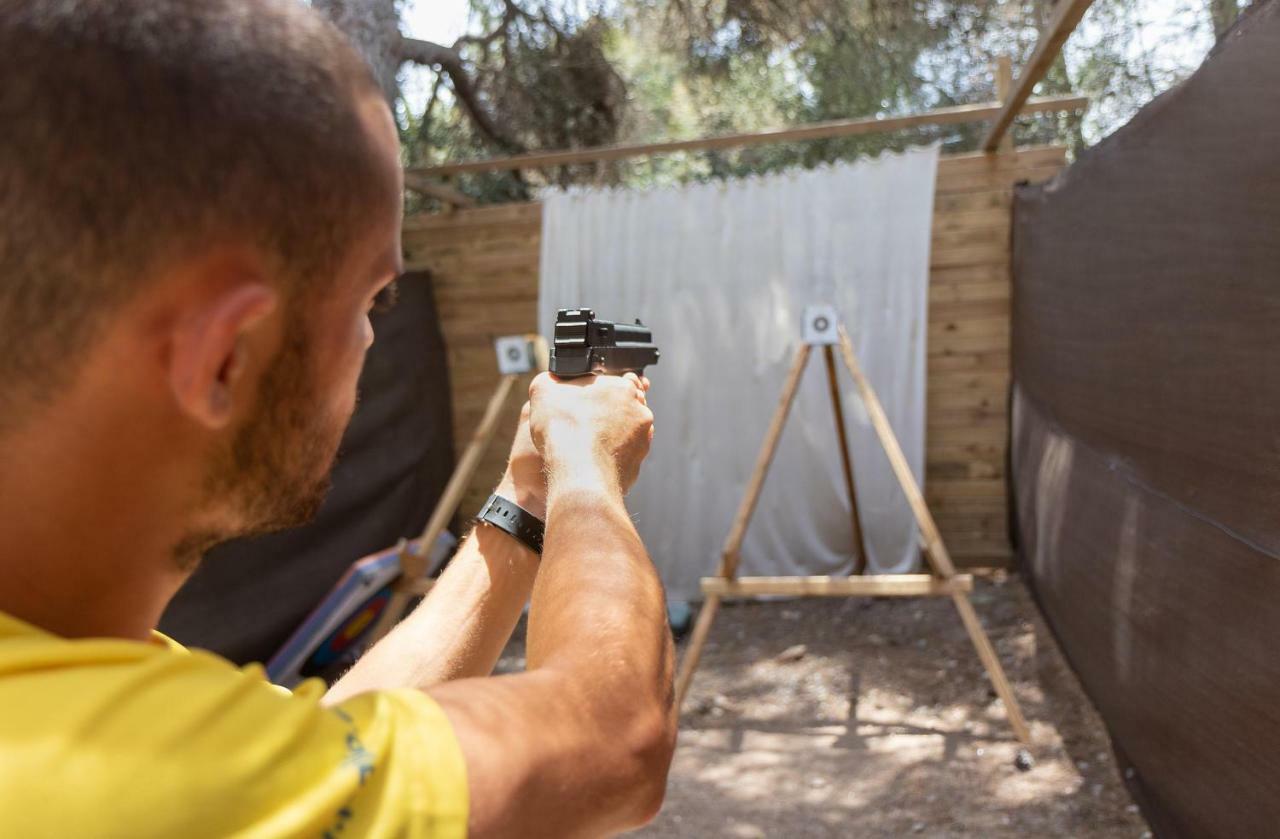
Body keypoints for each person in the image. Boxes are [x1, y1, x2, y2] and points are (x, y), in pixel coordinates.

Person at [0, 1, 676, 836]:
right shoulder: (125, 780)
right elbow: (614, 737)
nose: (370, 335)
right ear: (225, 356)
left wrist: (528, 493)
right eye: (374, 299)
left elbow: (324, 751)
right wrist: (588, 468)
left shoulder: (65, 687)